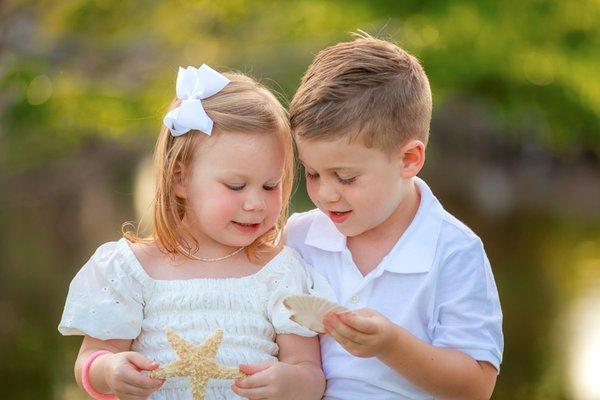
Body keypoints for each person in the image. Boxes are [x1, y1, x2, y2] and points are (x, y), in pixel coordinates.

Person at [58, 64, 329, 400]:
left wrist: (292, 383)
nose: (256, 203)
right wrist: (110, 371)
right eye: (236, 185)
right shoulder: (131, 269)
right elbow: (92, 358)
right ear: (179, 178)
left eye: (271, 185)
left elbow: (309, 370)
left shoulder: (280, 271)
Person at [283, 33, 503, 399]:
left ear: (409, 160)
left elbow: (476, 386)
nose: (324, 193)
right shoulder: (299, 237)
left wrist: (391, 345)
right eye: (313, 173)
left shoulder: (453, 250)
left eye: (346, 177)